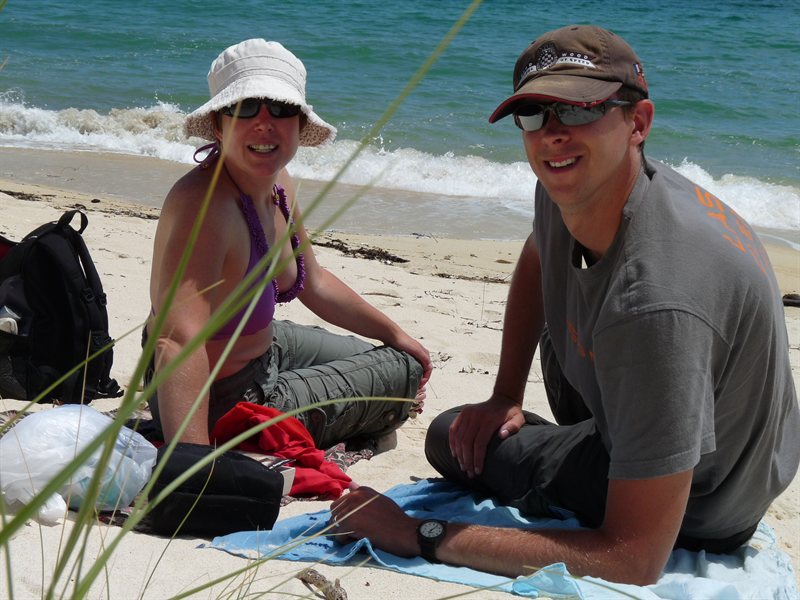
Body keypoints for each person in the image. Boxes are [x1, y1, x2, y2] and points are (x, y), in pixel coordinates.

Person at [330, 25, 799, 584]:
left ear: (638, 123)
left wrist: (414, 535)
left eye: (579, 111)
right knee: (547, 352)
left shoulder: (654, 302)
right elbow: (537, 253)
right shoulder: (582, 184)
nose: (553, 135)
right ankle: (564, 437)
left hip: (705, 501)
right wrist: (504, 393)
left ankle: (575, 452)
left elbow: (632, 558)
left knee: (448, 439)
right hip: (726, 438)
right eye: (534, 115)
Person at [146, 38, 431, 450]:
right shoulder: (205, 205)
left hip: (266, 349)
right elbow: (176, 340)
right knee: (400, 374)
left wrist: (398, 333)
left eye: (280, 109)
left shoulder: (277, 184)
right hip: (228, 401)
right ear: (220, 123)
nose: (265, 122)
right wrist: (192, 465)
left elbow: (313, 282)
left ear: (298, 124)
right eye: (245, 107)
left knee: (394, 354)